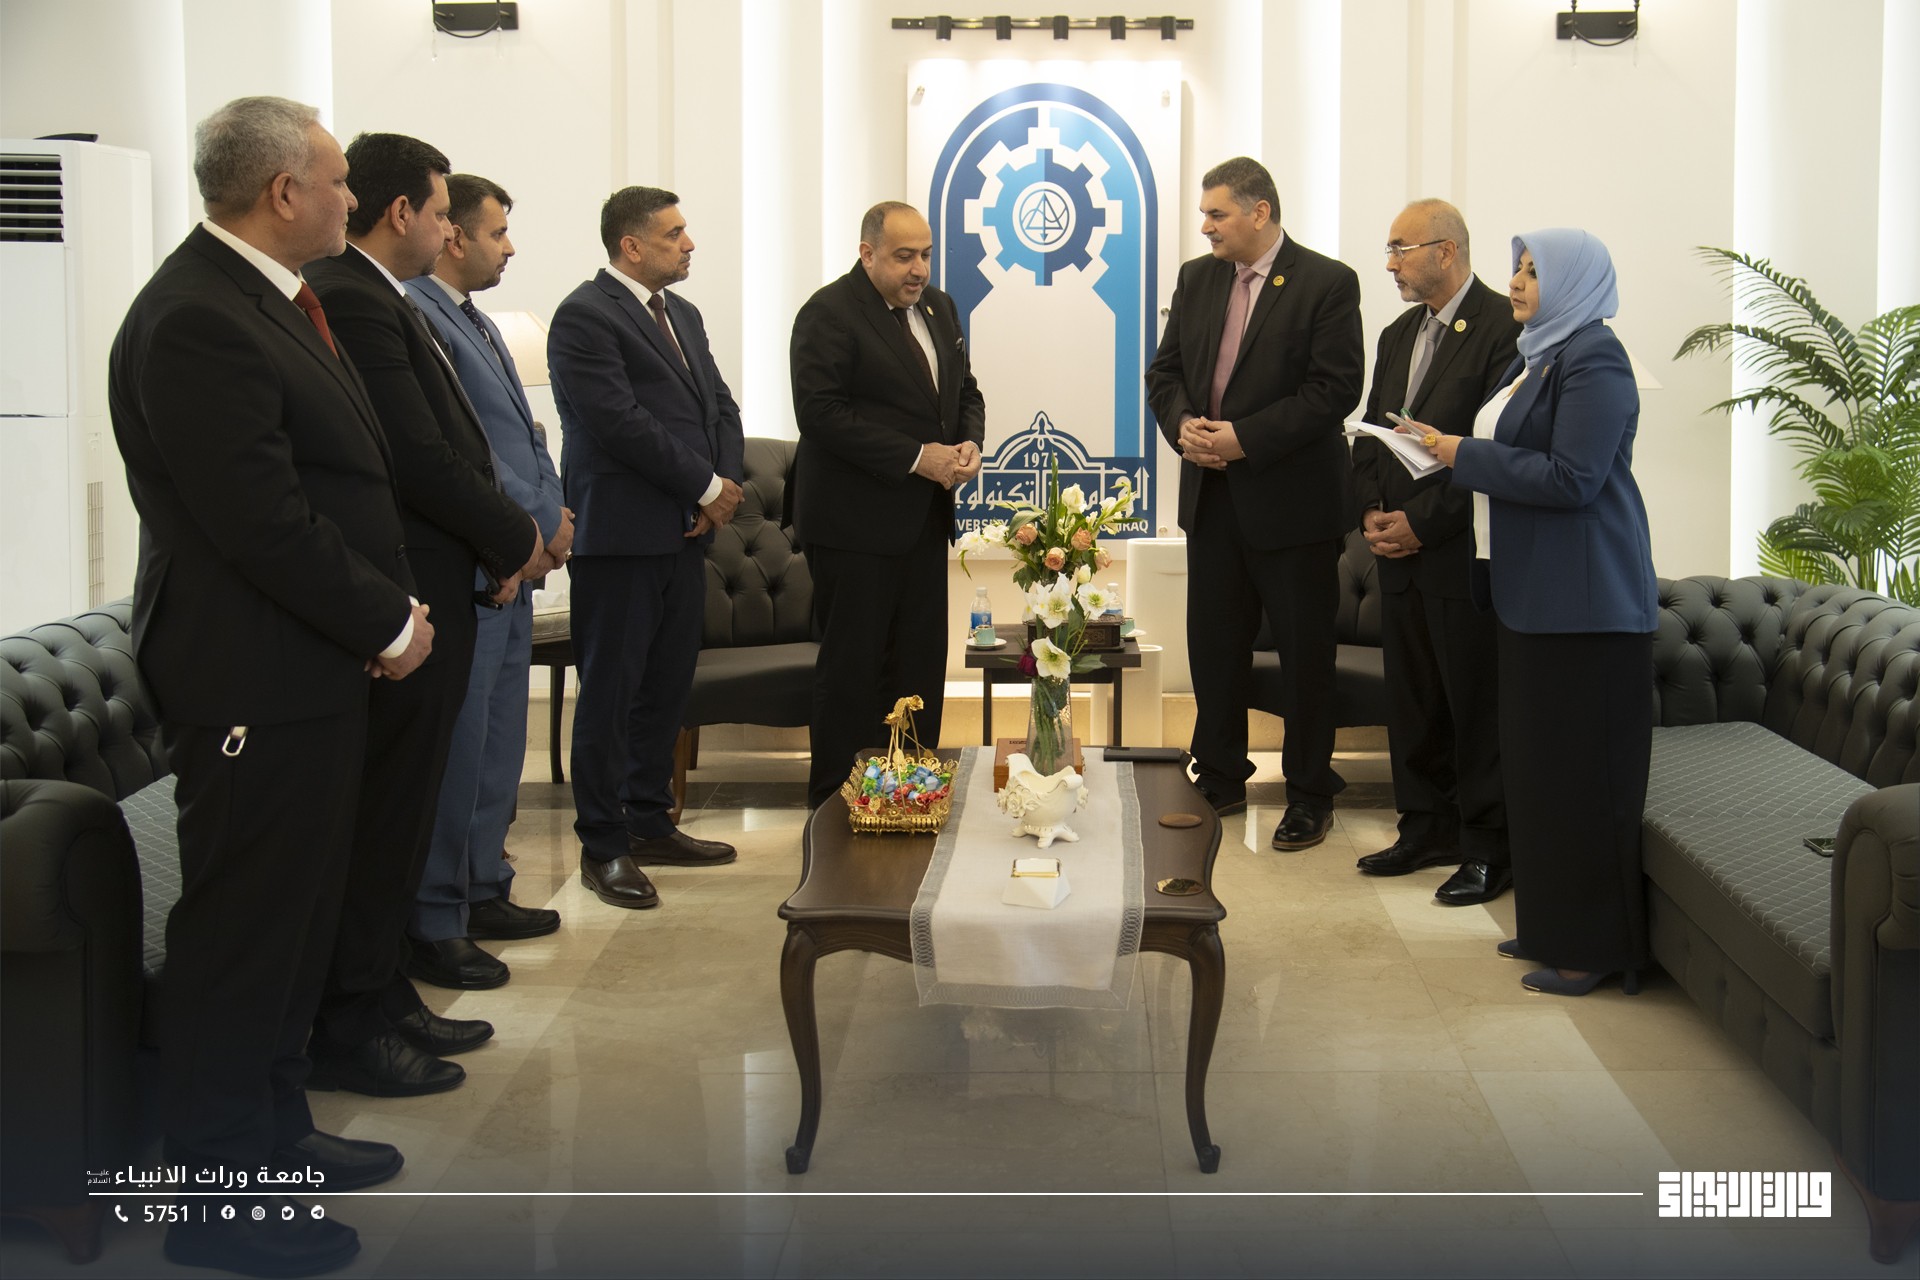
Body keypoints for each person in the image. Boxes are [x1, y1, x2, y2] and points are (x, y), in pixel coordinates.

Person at [108, 95, 426, 1275]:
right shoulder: (196, 316)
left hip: (305, 669)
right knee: (242, 939)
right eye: (338, 179)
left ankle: (279, 1132)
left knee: (295, 925)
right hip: (250, 672)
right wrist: (383, 615)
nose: (352, 197)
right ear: (283, 191)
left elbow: (332, 479)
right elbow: (260, 518)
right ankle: (219, 1201)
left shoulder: (267, 297)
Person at [305, 133, 546, 1095]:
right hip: (410, 588)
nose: (450, 232)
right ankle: (362, 1010)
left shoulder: (384, 298)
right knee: (394, 812)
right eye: (445, 213)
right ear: (403, 212)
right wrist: (512, 538)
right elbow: (417, 456)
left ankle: (384, 992)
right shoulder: (355, 298)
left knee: (406, 810)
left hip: (441, 578)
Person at [1409, 228, 1657, 996]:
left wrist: (1459, 453)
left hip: (1585, 608)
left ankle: (1592, 949)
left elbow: (1574, 478)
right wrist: (1442, 447)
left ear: (1574, 282)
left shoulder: (1596, 358)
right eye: (1515, 268)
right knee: (1537, 776)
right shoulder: (1537, 356)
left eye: (1532, 270)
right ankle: (1551, 928)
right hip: (1531, 599)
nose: (1515, 282)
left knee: (1581, 784)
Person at [1144, 157, 1363, 849]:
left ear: (1259, 211)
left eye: (1217, 214)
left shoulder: (1327, 282)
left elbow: (1334, 390)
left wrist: (1244, 439)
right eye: (1205, 215)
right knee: (1215, 650)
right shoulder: (1197, 278)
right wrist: (1184, 425)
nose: (1206, 227)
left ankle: (1308, 793)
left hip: (1294, 507)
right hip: (1212, 499)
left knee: (1304, 658)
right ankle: (1220, 776)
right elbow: (1165, 372)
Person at [547, 186, 746, 908]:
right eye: (674, 234)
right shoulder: (584, 315)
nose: (689, 244)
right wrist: (704, 487)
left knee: (665, 689)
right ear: (630, 246)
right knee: (611, 694)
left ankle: (650, 822)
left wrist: (721, 487)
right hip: (621, 535)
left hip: (684, 533)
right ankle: (603, 845)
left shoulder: (682, 314)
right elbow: (618, 422)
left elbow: (719, 405)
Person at [405, 174, 571, 986]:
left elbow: (527, 435)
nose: (510, 247)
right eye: (496, 232)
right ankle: (438, 914)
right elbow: (460, 453)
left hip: (517, 559)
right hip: (482, 563)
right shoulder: (416, 313)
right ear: (453, 236)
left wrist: (553, 515)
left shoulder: (476, 318)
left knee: (500, 744)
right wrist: (521, 534)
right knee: (461, 749)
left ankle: (482, 885)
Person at [1351, 200, 1520, 905]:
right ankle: (1424, 828)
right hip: (1396, 553)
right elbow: (1370, 431)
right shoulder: (1397, 334)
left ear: (1446, 251)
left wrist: (1422, 523)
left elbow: (1494, 449)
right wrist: (1370, 510)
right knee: (1414, 700)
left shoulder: (1503, 329)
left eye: (1402, 248)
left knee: (1472, 705)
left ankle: (1485, 848)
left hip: (1460, 554)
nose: (1390, 263)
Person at [790, 201, 986, 808]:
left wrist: (969, 442)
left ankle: (911, 797)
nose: (919, 269)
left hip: (923, 521)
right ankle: (837, 805)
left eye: (925, 255)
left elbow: (965, 391)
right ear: (867, 253)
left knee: (919, 669)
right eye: (904, 256)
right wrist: (917, 457)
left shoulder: (940, 307)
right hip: (853, 525)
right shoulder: (828, 313)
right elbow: (821, 414)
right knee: (854, 672)